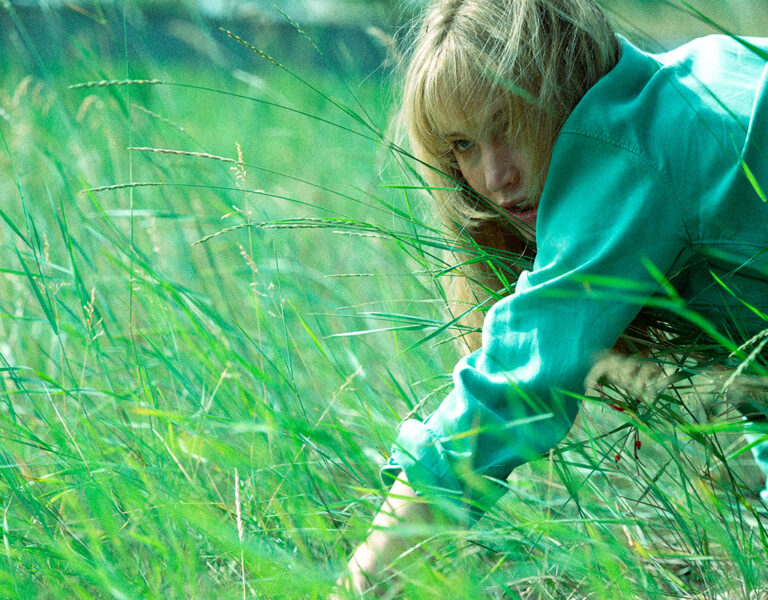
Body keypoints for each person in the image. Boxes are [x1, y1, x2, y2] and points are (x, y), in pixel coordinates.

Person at [336, 0, 768, 594]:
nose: (494, 177)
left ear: (564, 83)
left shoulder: (627, 158)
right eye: (463, 144)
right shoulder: (698, 79)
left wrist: (360, 581)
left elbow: (510, 391)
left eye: (508, 123)